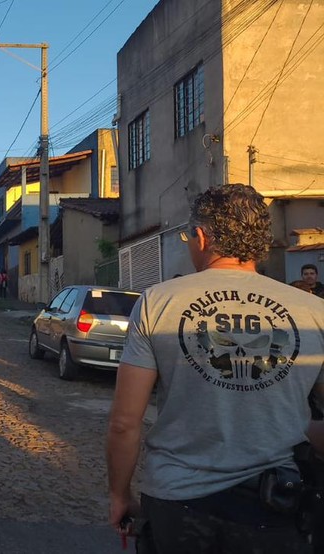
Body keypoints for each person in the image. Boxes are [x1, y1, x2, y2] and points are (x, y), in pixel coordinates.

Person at [106, 184, 324, 553]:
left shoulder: (157, 303)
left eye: (188, 236)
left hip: (177, 504)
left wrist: (119, 494)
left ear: (202, 237)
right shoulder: (312, 312)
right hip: (275, 505)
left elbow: (125, 423)